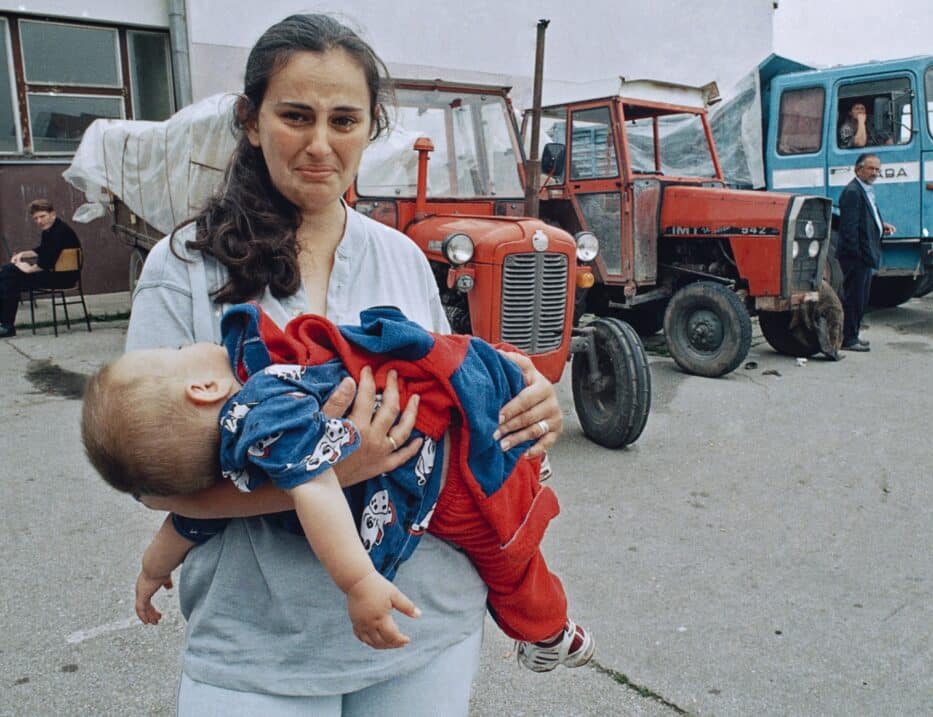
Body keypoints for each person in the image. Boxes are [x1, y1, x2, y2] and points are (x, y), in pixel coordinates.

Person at [121, 14, 564, 714]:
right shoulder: (181, 269)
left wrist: (522, 397)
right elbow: (154, 483)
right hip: (262, 647)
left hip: (427, 623)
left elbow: (445, 387)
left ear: (371, 126)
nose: (321, 144)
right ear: (250, 119)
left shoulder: (397, 253)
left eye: (345, 120)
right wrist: (335, 469)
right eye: (296, 116)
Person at [81, 302, 592, 667]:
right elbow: (318, 487)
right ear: (203, 388)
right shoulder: (265, 413)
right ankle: (547, 631)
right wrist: (358, 581)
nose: (186, 346)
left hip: (441, 457)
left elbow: (186, 520)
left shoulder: (235, 448)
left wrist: (151, 570)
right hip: (439, 482)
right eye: (174, 352)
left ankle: (525, 480)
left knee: (505, 477)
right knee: (510, 555)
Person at [837, 153, 896, 352]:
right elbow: (849, 228)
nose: (874, 173)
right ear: (858, 169)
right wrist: (856, 255)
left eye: (877, 170)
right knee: (854, 297)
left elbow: (866, 217)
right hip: (857, 256)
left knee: (861, 297)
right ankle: (848, 339)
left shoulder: (866, 190)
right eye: (871, 169)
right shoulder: (853, 191)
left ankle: (853, 334)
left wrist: (881, 225)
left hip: (865, 253)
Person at [0, 199, 81, 337]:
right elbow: (43, 250)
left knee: (8, 274)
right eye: (36, 218)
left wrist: (26, 268)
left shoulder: (59, 232)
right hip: (55, 275)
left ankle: (7, 326)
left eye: (42, 216)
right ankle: (6, 325)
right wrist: (22, 254)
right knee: (7, 276)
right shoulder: (51, 229)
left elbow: (46, 262)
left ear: (53, 214)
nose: (39, 221)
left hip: (63, 278)